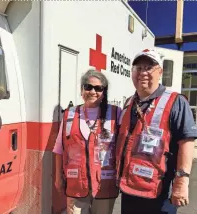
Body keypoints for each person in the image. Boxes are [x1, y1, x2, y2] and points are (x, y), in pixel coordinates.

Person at [115, 49, 197, 214]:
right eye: (138, 68)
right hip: (129, 189)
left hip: (158, 192)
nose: (142, 72)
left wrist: (182, 182)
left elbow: (186, 142)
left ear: (160, 72)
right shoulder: (129, 103)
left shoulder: (176, 101)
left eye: (148, 67)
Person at [53, 69, 121, 214]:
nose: (93, 91)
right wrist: (58, 177)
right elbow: (59, 148)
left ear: (104, 92)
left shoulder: (115, 113)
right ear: (82, 89)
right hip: (76, 184)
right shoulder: (70, 114)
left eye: (98, 88)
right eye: (88, 86)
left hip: (104, 185)